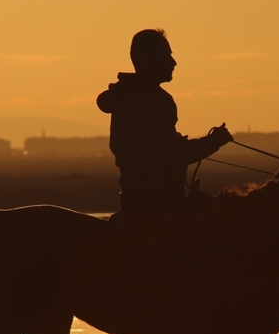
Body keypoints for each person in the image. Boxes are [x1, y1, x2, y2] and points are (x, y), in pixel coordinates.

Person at [97, 29, 233, 226]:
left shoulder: (128, 96)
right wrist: (214, 142)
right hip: (158, 210)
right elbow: (171, 155)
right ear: (148, 59)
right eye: (167, 55)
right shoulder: (154, 100)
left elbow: (157, 149)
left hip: (135, 205)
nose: (173, 62)